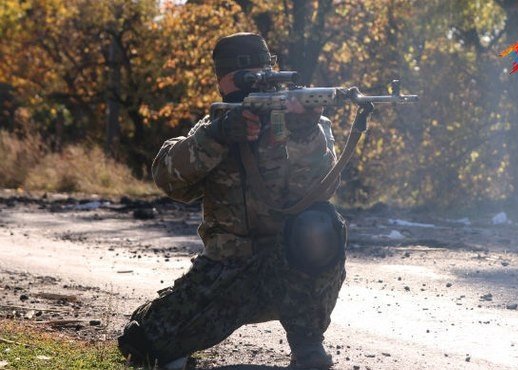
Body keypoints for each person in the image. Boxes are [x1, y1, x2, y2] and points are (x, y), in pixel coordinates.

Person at [117, 33, 348, 369]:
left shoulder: (305, 124)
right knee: (146, 344)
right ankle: (153, 316)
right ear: (220, 84)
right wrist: (217, 137)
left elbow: (323, 188)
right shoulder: (212, 128)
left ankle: (308, 342)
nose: (253, 85)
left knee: (321, 224)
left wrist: (304, 132)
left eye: (261, 74)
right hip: (226, 272)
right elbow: (170, 181)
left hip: (289, 268)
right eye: (242, 79)